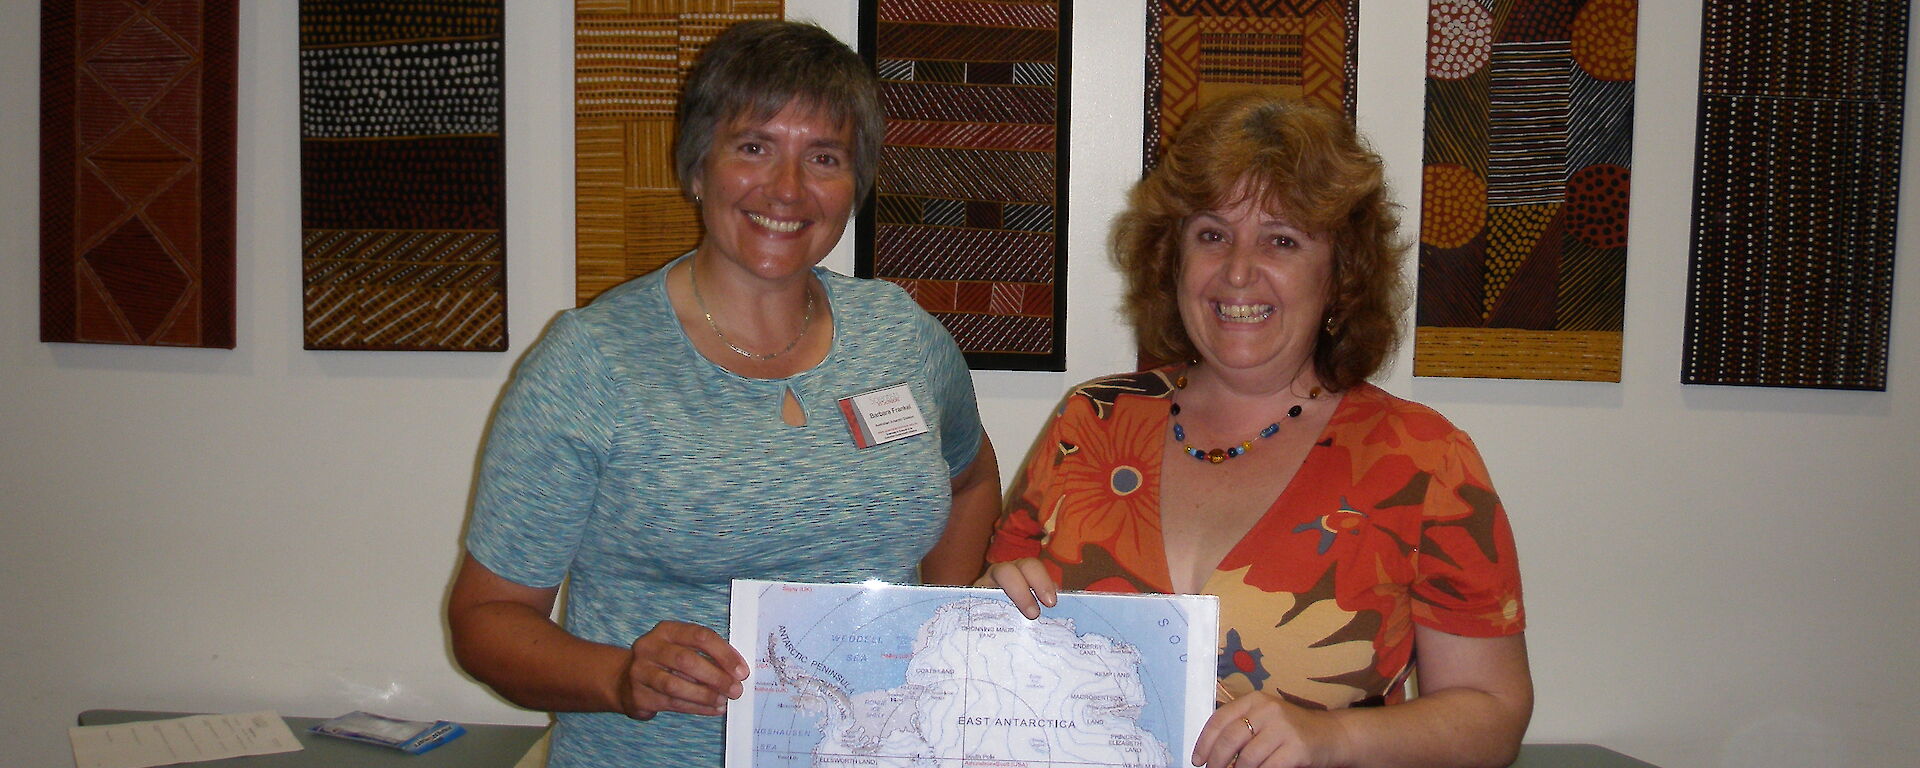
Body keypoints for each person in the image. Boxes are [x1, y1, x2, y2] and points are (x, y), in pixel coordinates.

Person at [447, 20, 1000, 767]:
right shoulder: (593, 363)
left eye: (825, 158)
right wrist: (619, 675)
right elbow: (486, 620)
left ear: (854, 187)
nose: (787, 189)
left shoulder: (901, 337)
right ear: (697, 166)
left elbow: (969, 482)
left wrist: (947, 633)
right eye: (753, 147)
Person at [985, 92, 1531, 768]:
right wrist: (989, 615)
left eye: (1282, 240)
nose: (1238, 271)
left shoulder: (1423, 460)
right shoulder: (1090, 420)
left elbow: (1493, 715)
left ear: (1340, 274)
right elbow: (998, 620)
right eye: (1212, 235)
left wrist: (1334, 738)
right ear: (1173, 257)